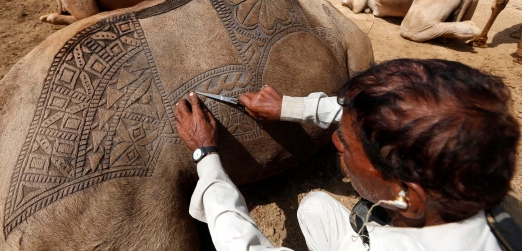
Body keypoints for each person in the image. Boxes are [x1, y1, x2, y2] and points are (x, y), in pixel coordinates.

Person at [174, 59, 520, 250]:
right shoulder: (471, 177)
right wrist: (287, 106)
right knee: (315, 207)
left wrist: (206, 154)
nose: (337, 143)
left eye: (349, 145)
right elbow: (364, 112)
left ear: (408, 197)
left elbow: (243, 246)